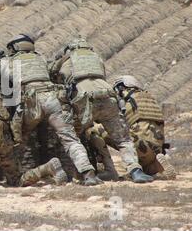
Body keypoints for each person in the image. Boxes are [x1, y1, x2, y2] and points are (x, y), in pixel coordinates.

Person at [0, 34, 102, 186]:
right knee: (70, 139)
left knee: (19, 139)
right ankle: (89, 175)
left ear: (13, 47)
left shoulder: (8, 61)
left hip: (30, 102)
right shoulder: (41, 58)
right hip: (53, 98)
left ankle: (19, 176)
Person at [50, 37, 153, 183]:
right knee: (123, 139)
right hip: (107, 96)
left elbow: (53, 74)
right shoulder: (96, 58)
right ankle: (135, 171)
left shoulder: (67, 59)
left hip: (83, 99)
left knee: (72, 139)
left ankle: (88, 174)